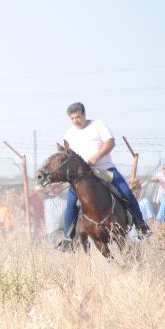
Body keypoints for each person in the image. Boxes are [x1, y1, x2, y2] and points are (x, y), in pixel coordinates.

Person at [61, 102, 150, 244]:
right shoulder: (69, 134)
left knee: (126, 193)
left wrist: (96, 157)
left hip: (105, 169)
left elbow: (110, 142)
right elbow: (67, 154)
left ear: (84, 114)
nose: (75, 121)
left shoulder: (98, 125)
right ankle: (67, 237)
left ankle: (141, 225)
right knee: (71, 202)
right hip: (82, 177)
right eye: (72, 118)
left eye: (78, 117)